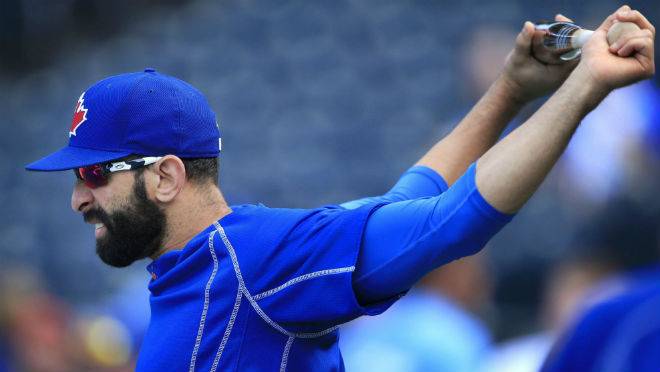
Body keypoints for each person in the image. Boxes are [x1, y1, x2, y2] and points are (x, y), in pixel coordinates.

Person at [24, 6, 654, 371]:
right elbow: (409, 199)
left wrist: (582, 89)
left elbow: (449, 223)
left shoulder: (252, 261)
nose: (80, 197)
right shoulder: (188, 276)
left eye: (95, 173)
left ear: (166, 176)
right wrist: (509, 92)